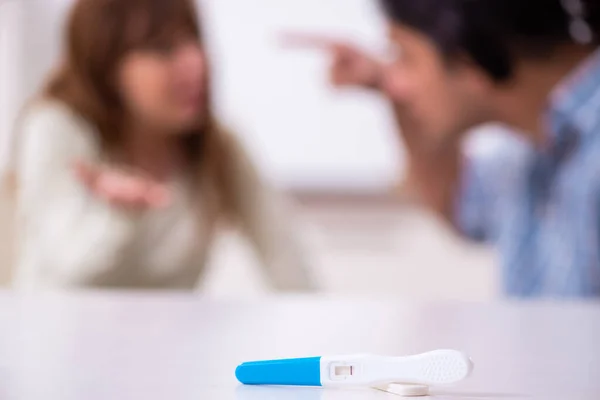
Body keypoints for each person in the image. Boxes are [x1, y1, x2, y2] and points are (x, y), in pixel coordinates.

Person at [287, 0, 600, 298]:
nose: (396, 82)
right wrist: (386, 87)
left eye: (404, 57)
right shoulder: (534, 147)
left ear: (470, 56)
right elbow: (455, 199)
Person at [8, 0, 315, 291]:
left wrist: (326, 335)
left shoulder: (217, 145)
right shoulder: (56, 126)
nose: (196, 63)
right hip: (59, 337)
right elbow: (66, 269)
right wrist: (118, 215)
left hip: (169, 343)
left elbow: (285, 258)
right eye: (164, 48)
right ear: (108, 66)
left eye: (194, 40)